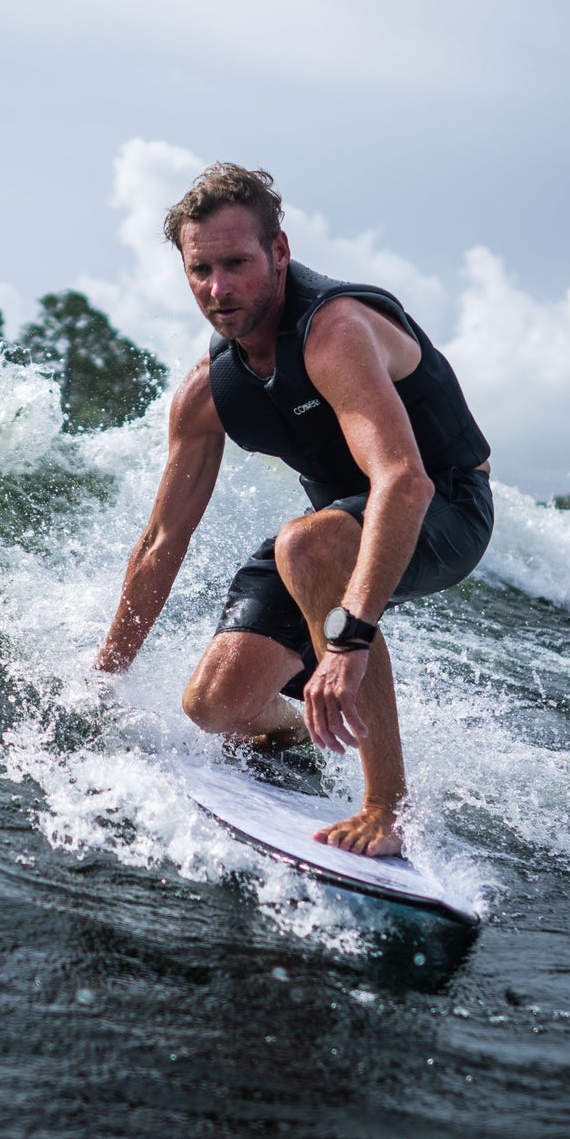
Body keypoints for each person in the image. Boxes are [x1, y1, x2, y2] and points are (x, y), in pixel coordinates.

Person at [95, 164, 492, 859]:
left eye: (238, 263)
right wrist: (103, 683)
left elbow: (405, 481)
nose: (219, 289)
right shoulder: (207, 393)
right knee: (214, 704)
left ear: (279, 253)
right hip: (334, 537)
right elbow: (162, 540)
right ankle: (287, 731)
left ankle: (383, 808)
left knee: (308, 544)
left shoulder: (333, 332)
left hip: (447, 505)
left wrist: (347, 644)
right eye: (201, 269)